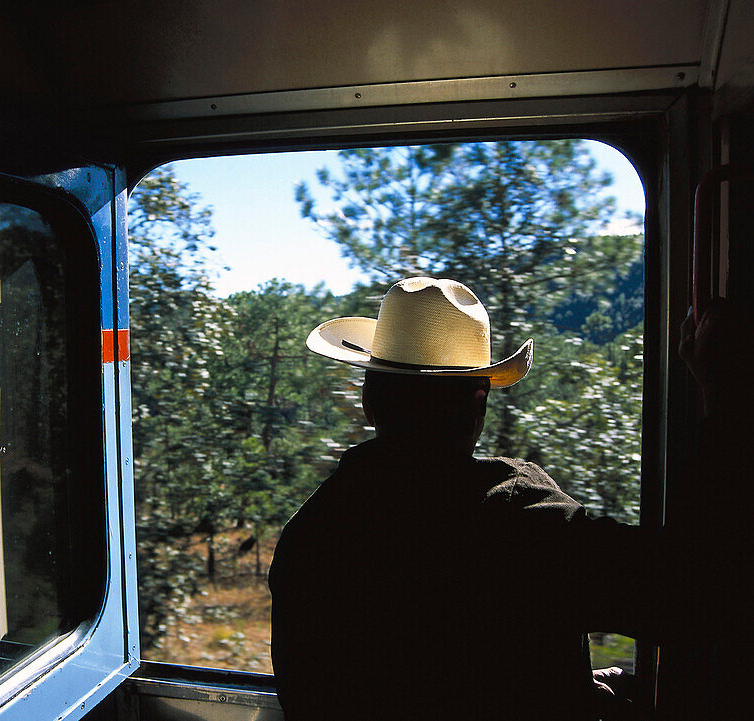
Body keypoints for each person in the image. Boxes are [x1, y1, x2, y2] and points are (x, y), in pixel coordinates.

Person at [268, 277, 648, 721]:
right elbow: (690, 594)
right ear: (477, 404)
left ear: (368, 400)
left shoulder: (311, 535)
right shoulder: (518, 518)